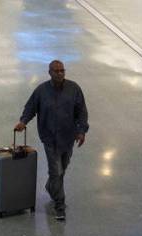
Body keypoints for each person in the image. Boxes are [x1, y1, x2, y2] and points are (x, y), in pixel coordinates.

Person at [14, 60, 89, 222]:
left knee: (62, 169)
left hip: (68, 138)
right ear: (49, 73)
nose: (60, 73)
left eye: (62, 70)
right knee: (56, 171)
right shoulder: (41, 91)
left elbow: (81, 111)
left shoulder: (74, 89)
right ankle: (60, 206)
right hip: (50, 139)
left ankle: (50, 187)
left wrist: (81, 131)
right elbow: (30, 107)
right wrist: (23, 122)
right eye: (56, 71)